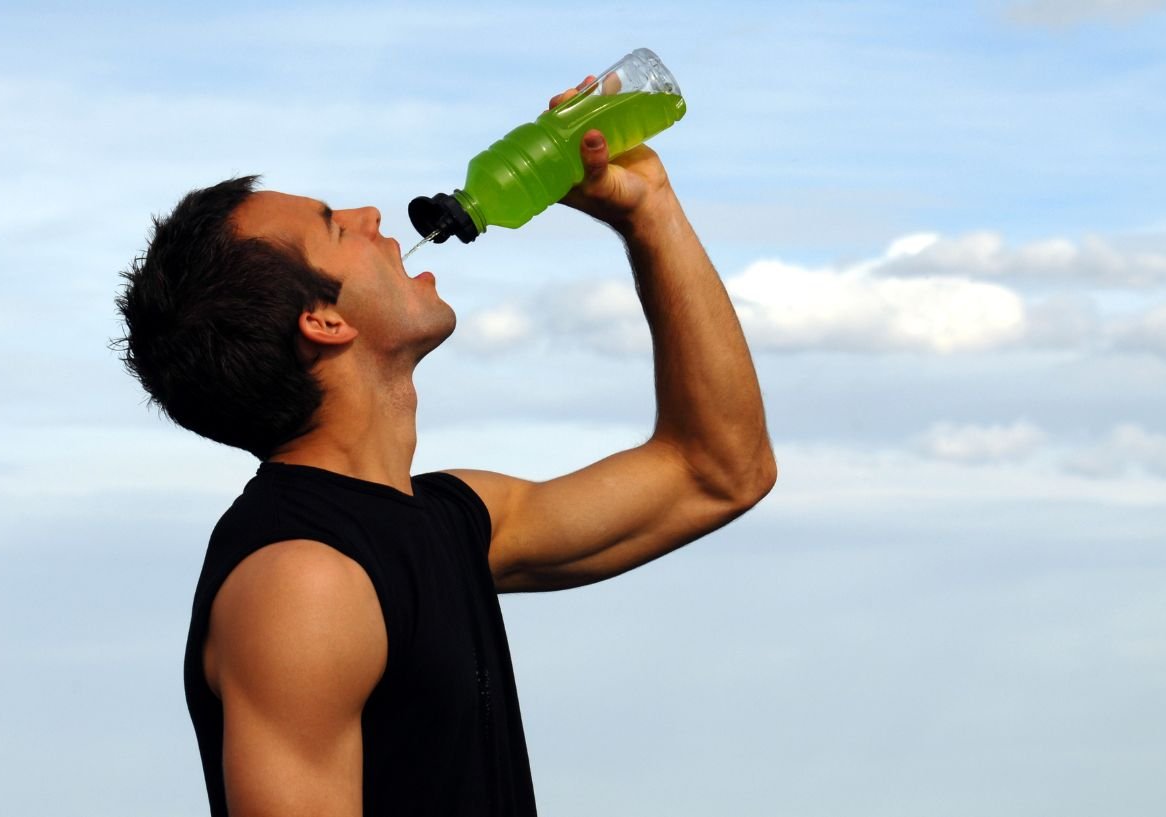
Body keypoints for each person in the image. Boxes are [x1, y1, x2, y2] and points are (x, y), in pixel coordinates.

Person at [116, 76, 775, 817]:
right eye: (336, 227)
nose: (371, 214)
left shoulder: (448, 520)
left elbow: (719, 470)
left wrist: (648, 211)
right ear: (324, 322)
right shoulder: (303, 582)